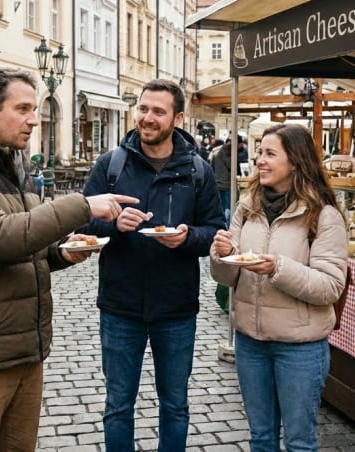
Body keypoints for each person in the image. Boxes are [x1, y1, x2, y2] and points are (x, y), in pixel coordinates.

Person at [0, 67, 136, 451]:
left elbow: (23, 242)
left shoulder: (11, 162)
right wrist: (82, 205)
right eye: (22, 109)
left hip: (24, 349)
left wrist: (61, 252)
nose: (34, 120)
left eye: (34, 109)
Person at [81, 78, 226, 450]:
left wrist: (186, 238)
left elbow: (214, 231)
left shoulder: (198, 171)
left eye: (157, 112)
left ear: (177, 118)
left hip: (176, 309)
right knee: (117, 406)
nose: (147, 118)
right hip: (120, 306)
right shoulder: (111, 165)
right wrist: (114, 224)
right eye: (143, 109)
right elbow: (79, 220)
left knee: (175, 405)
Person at [209, 124, 347, 451]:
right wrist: (222, 255)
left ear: (296, 162)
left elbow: (330, 287)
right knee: (261, 438)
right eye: (260, 152)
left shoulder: (323, 216)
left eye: (270, 154)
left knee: (299, 443)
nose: (260, 161)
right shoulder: (248, 206)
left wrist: (277, 268)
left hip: (298, 347)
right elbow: (226, 278)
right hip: (249, 343)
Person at [211, 134, 245, 224]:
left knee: (222, 208)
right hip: (227, 184)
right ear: (238, 143)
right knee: (229, 208)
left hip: (218, 183)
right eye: (241, 144)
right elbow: (232, 166)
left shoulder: (220, 150)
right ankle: (227, 227)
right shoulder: (230, 151)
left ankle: (221, 224)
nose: (242, 146)